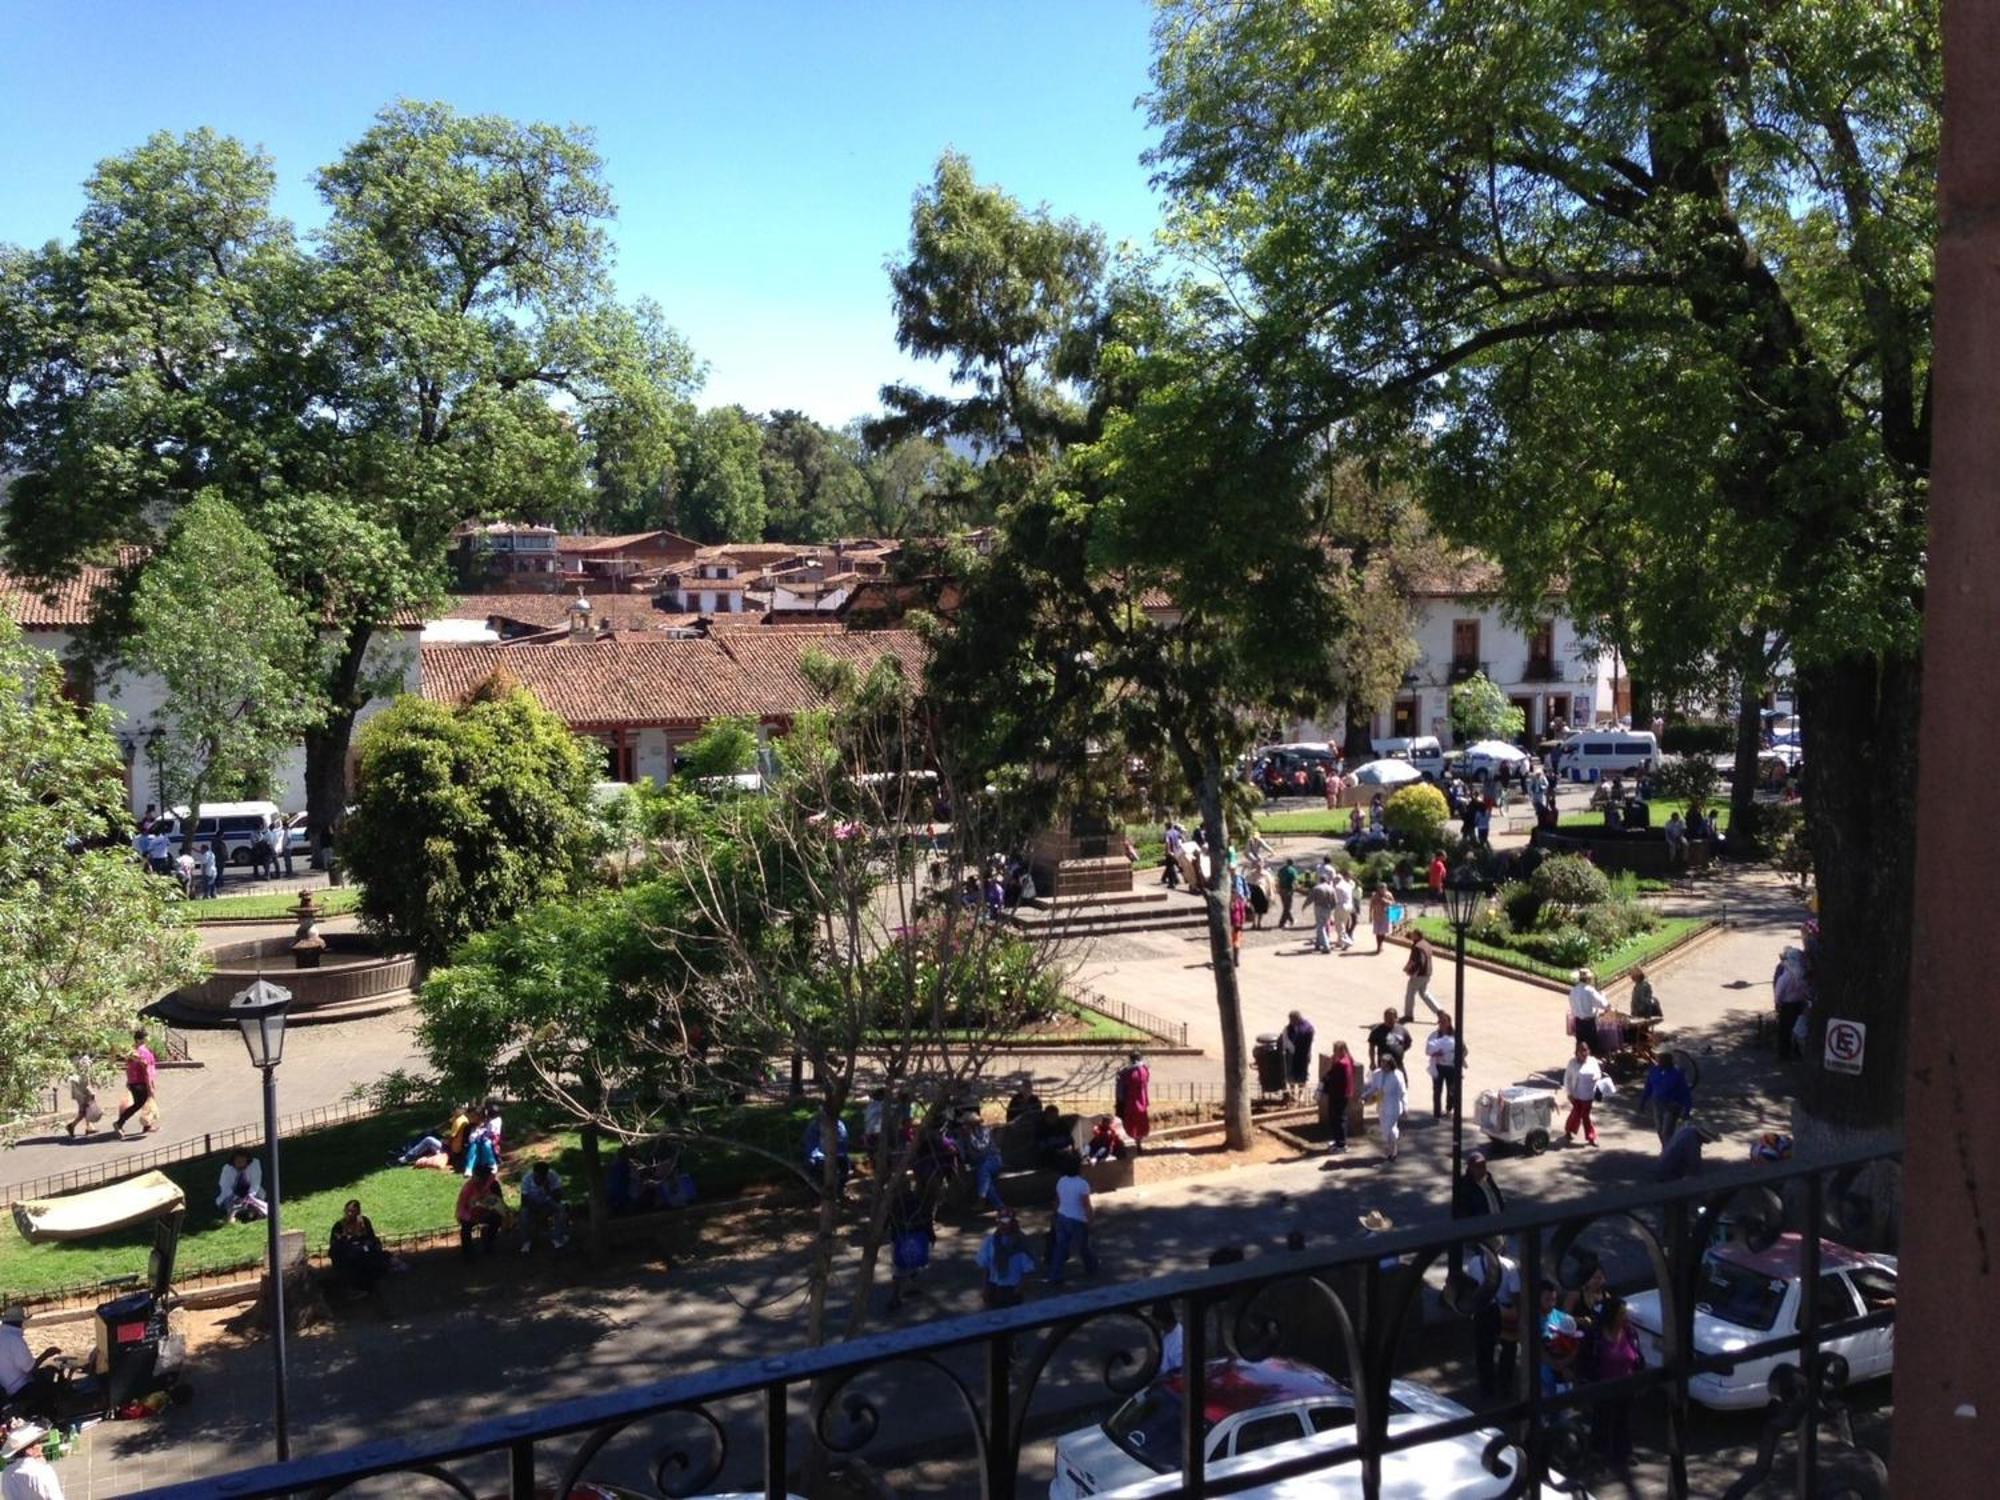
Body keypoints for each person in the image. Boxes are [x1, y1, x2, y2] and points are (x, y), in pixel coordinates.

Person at [1591, 1297, 1643, 1462]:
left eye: (1625, 1314)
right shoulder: (1597, 1336)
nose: (1625, 1318)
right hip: (1603, 1387)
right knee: (1602, 1421)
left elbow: (1637, 1355)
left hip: (1626, 1385)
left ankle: (1624, 1452)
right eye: (1621, 1314)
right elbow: (1587, 1360)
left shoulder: (1630, 1332)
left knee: (1624, 1421)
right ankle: (1598, 1453)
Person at [1468, 1240, 1521, 1397]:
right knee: (1509, 1347)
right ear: (1502, 1246)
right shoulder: (1509, 1265)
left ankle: (1486, 1386)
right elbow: (1515, 1293)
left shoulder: (1474, 1262)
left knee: (1484, 1348)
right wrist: (1519, 1313)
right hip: (1505, 1311)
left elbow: (1473, 1287)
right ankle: (1505, 1385)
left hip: (1483, 1309)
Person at [1044, 1154, 1099, 1285]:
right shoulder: (1082, 1184)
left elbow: (1057, 1200)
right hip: (1077, 1220)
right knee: (1083, 1246)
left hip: (1062, 1217)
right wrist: (1091, 1221)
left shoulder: (1061, 1181)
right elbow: (1086, 1205)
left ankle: (1055, 1275)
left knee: (1060, 1247)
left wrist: (1055, 1215)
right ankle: (1091, 1267)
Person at [0, 1307, 57, 1419]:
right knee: (51, 1384)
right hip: (18, 1388)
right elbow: (30, 1368)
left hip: (5, 1385)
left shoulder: (3, 1335)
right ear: (19, 1321)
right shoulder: (14, 1340)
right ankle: (52, 1418)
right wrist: (47, 1354)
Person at [328, 1199, 393, 1294]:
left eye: (352, 1211)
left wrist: (364, 1246)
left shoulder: (364, 1222)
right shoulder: (339, 1226)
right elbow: (336, 1243)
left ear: (358, 1212)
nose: (349, 1214)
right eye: (347, 1211)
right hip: (346, 1252)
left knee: (371, 1257)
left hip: (363, 1250)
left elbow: (371, 1238)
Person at [978, 1211, 1038, 1308]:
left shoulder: (1021, 1242)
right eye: (1000, 1223)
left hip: (1012, 1288)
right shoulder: (991, 1241)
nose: (1004, 1226)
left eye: (1007, 1223)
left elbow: (1028, 1269)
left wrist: (1018, 1289)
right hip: (994, 1286)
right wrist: (985, 1287)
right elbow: (987, 1266)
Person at [1640, 1051, 1694, 1144]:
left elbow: (1685, 1092)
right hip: (1657, 1104)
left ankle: (1668, 1152)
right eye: (1659, 1061)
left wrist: (1687, 1109)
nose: (1660, 1063)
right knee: (1659, 1129)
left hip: (1672, 1105)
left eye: (1662, 1061)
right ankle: (1667, 1149)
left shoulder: (1677, 1073)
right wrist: (1643, 1102)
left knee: (1667, 1132)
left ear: (1669, 1062)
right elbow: (1648, 1087)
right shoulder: (1654, 1071)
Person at [113, 1026, 158, 1137]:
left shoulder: (132, 1051)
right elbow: (146, 1070)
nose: (147, 1039)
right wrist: (150, 1086)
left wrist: (129, 1081)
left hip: (134, 1081)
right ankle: (119, 1123)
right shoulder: (143, 1052)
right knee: (140, 1104)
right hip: (141, 1082)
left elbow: (128, 1067)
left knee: (145, 1103)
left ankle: (147, 1125)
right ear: (140, 1039)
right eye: (145, 1037)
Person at [1, 1423, 64, 1500]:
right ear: (29, 1451)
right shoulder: (44, 1471)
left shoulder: (7, 1473)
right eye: (38, 1443)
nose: (41, 1447)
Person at [517, 1161, 570, 1253]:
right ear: (534, 1173)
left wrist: (548, 1189)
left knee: (561, 1208)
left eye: (542, 1177)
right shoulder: (527, 1179)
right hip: (532, 1203)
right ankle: (526, 1242)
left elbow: (558, 1197)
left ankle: (557, 1238)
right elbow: (524, 1201)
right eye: (537, 1177)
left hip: (549, 1202)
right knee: (523, 1213)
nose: (539, 1179)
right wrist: (537, 1211)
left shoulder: (553, 1176)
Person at [1360, 1059, 1407, 1161]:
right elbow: (1373, 1088)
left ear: (1391, 1065)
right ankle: (1389, 1146)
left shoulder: (1397, 1075)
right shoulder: (1377, 1073)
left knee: (1392, 1129)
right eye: (1382, 1064)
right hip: (1382, 1105)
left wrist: (1405, 1107)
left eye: (1386, 1065)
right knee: (1385, 1130)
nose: (1383, 1067)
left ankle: (1393, 1151)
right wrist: (1365, 1095)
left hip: (1394, 1105)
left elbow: (1403, 1092)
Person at [455, 1164, 505, 1258]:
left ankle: (488, 1243)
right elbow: (461, 1207)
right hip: (469, 1214)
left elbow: (499, 1201)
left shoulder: (493, 1185)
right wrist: (470, 1217)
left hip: (486, 1211)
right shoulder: (468, 1188)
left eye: (485, 1175)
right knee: (465, 1229)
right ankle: (467, 1252)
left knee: (497, 1219)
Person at [1562, 1040, 1605, 1147]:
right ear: (1577, 1052)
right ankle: (1569, 1130)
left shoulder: (1592, 1061)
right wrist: (1569, 1093)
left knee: (1585, 1116)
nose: (1584, 1053)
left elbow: (1598, 1073)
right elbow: (1567, 1078)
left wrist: (1596, 1077)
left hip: (1588, 1095)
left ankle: (1591, 1137)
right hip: (1576, 1095)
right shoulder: (1572, 1063)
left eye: (1586, 1051)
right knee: (1576, 1113)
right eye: (1581, 1051)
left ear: (1589, 1051)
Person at [1319, 1040, 1357, 1154]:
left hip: (1338, 1094)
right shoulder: (1348, 1060)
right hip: (1344, 1093)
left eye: (1335, 1050)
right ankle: (1338, 1141)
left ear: (1342, 1050)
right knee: (1338, 1117)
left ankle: (1341, 1144)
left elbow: (1333, 1078)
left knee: (1337, 1118)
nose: (1334, 1052)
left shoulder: (1341, 1064)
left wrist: (1324, 1084)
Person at [1656, 1115, 1718, 1182]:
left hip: (1663, 1163)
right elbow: (1693, 1164)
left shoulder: (1688, 1130)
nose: (1710, 1142)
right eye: (1710, 1139)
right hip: (1668, 1172)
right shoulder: (1693, 1142)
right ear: (1705, 1137)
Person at [1425, 1014, 1462, 1120]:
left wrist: (1456, 1054)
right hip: (1438, 1066)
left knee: (1452, 1090)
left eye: (1444, 1021)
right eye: (1440, 1021)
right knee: (1437, 1090)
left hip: (1451, 1067)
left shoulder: (1455, 1035)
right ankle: (1437, 1113)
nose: (1442, 1024)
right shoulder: (1434, 1035)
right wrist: (1435, 1053)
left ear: (1449, 1022)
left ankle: (1449, 1109)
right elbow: (1427, 1050)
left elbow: (1464, 1050)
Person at [216, 1150, 268, 1222]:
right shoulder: (227, 1169)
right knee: (231, 1204)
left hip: (251, 1194)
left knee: (255, 1203)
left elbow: (256, 1182)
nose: (241, 1164)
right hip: (232, 1195)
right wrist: (236, 1198)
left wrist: (249, 1196)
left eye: (243, 1161)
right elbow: (225, 1186)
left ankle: (253, 1212)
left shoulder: (255, 1163)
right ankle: (233, 1214)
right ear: (233, 1161)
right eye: (238, 1161)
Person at [1567, 967, 1609, 1056]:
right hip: (1589, 1023)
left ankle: (1578, 1064)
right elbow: (1603, 1004)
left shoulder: (1573, 991)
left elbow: (1572, 1006)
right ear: (1588, 979)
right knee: (1591, 1047)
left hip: (1578, 1022)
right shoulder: (1589, 990)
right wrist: (1603, 996)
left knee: (1580, 1045)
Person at [802, 1113, 851, 1188]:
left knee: (843, 1165)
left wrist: (835, 1155)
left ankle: (839, 1188)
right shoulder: (814, 1127)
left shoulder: (839, 1126)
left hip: (837, 1156)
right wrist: (819, 1157)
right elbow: (811, 1147)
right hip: (819, 1158)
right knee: (813, 1166)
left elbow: (842, 1144)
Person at [1402, 931, 1440, 1022]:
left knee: (1410, 994)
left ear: (1417, 935)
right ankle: (1440, 1012)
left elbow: (1418, 961)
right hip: (1427, 973)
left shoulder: (1417, 947)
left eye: (1413, 934)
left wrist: (1411, 971)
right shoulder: (1426, 944)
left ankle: (1408, 1015)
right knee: (1424, 993)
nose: (1411, 936)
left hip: (1419, 974)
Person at [1115, 1051, 1150, 1150]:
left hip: (1130, 1103)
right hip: (1142, 1102)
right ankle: (1139, 1144)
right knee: (1140, 1124)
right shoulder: (1144, 1070)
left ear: (1130, 1059)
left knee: (1130, 1124)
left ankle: (1130, 1145)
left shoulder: (1127, 1072)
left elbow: (1120, 1087)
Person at [1454, 1149, 1505, 1218]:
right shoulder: (1465, 1186)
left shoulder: (1488, 1180)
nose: (1482, 1169)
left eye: (1483, 1166)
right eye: (1477, 1166)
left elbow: (1497, 1197)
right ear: (1470, 1168)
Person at [1279, 1011, 1315, 1103]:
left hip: (1303, 1056)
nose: (1290, 1022)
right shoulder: (1289, 1027)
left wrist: (1308, 1054)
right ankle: (1293, 1095)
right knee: (1291, 1075)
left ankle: (1299, 1095)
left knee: (1302, 1076)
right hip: (1292, 1056)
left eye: (1291, 1020)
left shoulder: (1308, 1028)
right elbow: (1285, 1037)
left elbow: (1309, 1043)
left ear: (1296, 1019)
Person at [1366, 1009, 1411, 1082]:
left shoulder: (1401, 1029)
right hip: (1384, 1065)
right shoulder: (1377, 1030)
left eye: (1391, 1018)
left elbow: (1408, 1042)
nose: (1388, 1020)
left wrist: (1400, 1051)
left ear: (1396, 1018)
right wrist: (1372, 1062)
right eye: (1386, 1018)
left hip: (1398, 1063)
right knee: (1383, 1086)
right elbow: (1371, 1047)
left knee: (1402, 1083)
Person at [64, 1061, 97, 1139]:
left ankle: (88, 1127)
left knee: (87, 1109)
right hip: (81, 1091)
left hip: (81, 1090)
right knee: (84, 1111)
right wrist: (90, 1091)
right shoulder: (80, 1060)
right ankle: (71, 1126)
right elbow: (82, 1078)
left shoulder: (81, 1058)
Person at [1307, 873, 1339, 953]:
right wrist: (1332, 909)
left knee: (1320, 927)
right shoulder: (1331, 888)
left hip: (1319, 908)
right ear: (1327, 880)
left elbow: (1310, 898)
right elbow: (1335, 901)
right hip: (1328, 909)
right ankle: (1318, 944)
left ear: (1320, 880)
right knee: (1323, 926)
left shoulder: (1317, 888)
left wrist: (1304, 905)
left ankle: (1326, 946)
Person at [1367, 884, 1391, 954]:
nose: (1382, 890)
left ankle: (1381, 944)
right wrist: (1370, 916)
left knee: (1383, 933)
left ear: (1386, 889)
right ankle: (1378, 946)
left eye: (1384, 888)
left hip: (1385, 916)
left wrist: (1386, 901)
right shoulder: (1374, 896)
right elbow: (1371, 906)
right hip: (1377, 916)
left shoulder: (1389, 895)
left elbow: (1393, 903)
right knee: (1378, 932)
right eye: (1380, 888)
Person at [1227, 885, 1247, 968]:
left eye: (1234, 894)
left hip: (1237, 924)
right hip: (1229, 924)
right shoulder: (1227, 904)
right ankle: (1231, 957)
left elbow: (1242, 913)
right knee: (1231, 941)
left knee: (1236, 941)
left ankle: (1236, 959)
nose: (1233, 896)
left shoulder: (1239, 902)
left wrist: (1242, 922)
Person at [1276, 858, 1298, 928]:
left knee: (1285, 906)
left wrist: (1278, 888)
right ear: (1292, 863)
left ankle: (1291, 920)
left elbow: (1278, 879)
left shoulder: (1281, 870)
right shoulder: (1292, 870)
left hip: (1281, 890)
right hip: (1288, 890)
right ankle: (1282, 923)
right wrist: (1296, 888)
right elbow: (1294, 881)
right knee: (1287, 907)